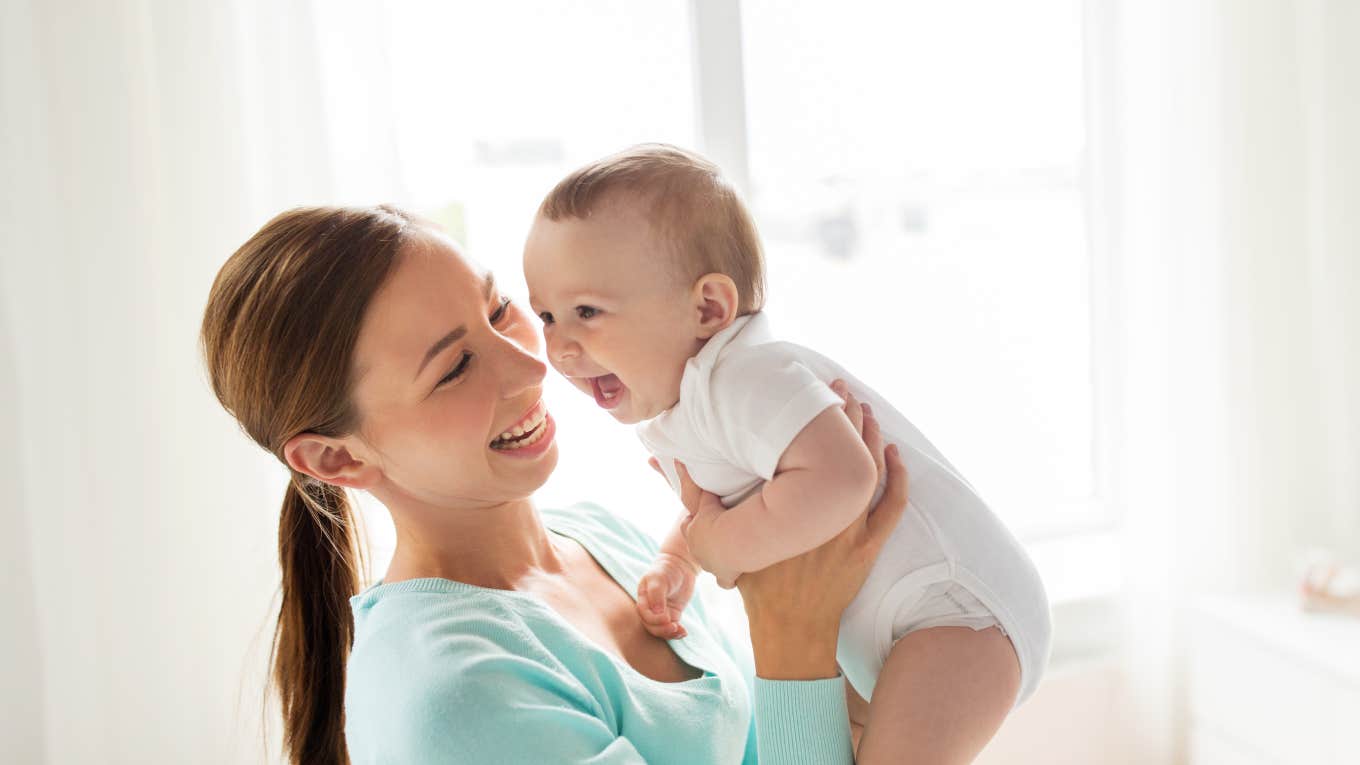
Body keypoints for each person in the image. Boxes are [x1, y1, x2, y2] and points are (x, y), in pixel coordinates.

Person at [200, 204, 908, 764]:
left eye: (501, 308)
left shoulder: (603, 539)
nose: (531, 367)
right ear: (336, 460)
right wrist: (793, 633)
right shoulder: (455, 699)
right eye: (454, 368)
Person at [522, 144, 1052, 762]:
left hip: (956, 613)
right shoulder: (681, 405)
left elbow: (843, 476)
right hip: (894, 628)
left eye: (587, 312)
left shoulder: (749, 374)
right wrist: (682, 559)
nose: (559, 347)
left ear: (708, 309)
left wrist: (718, 547)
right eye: (547, 317)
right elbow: (736, 497)